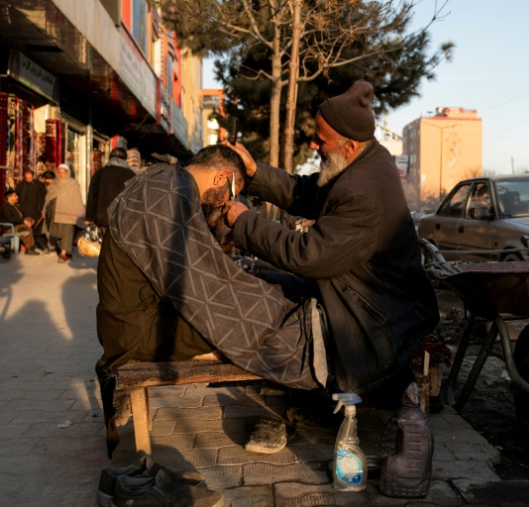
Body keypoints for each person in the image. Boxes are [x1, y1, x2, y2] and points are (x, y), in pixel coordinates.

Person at [97, 144, 330, 457]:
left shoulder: (168, 181)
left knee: (272, 289)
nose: (228, 203)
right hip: (139, 331)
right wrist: (271, 306)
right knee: (268, 318)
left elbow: (199, 270)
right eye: (232, 192)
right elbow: (206, 286)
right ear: (222, 177)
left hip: (139, 316)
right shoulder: (171, 193)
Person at [223, 80, 440, 399]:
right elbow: (306, 191)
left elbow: (307, 256)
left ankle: (290, 401)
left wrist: (243, 221)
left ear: (348, 146)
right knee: (259, 285)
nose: (312, 144)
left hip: (379, 319)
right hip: (357, 293)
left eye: (319, 139)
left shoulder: (361, 192)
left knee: (269, 325)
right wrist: (255, 173)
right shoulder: (366, 159)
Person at [85, 148, 135, 234]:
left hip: (103, 218)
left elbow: (93, 196)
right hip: (123, 220)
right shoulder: (132, 175)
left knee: (104, 245)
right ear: (125, 159)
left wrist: (89, 217)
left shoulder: (100, 173)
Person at [42, 164, 85, 263]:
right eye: (59, 172)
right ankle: (64, 250)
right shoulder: (54, 183)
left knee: (67, 234)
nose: (61, 175)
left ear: (67, 172)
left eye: (63, 172)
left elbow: (77, 199)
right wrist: (44, 210)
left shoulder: (72, 183)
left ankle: (63, 254)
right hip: (55, 214)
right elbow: (48, 198)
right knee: (56, 233)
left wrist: (80, 213)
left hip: (69, 213)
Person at [16, 168, 47, 250]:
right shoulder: (21, 185)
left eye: (30, 178)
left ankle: (40, 244)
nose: (28, 180)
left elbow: (44, 196)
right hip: (24, 210)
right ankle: (26, 245)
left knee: (38, 228)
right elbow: (17, 196)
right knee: (26, 228)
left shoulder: (39, 185)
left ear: (33, 177)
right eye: (27, 178)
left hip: (36, 209)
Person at [0, 190, 39, 254]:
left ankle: (29, 244)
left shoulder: (16, 206)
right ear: (9, 198)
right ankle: (29, 248)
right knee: (26, 227)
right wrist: (24, 221)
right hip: (9, 228)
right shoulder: (5, 207)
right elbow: (11, 218)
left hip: (17, 225)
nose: (17, 197)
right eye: (15, 196)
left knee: (29, 222)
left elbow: (23, 215)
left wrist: (30, 219)